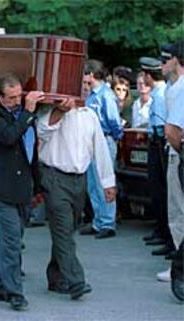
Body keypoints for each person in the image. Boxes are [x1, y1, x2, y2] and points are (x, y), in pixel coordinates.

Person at [37, 94, 116, 299]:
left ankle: (56, 276)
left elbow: (100, 149)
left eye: (87, 85)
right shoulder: (49, 110)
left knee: (66, 231)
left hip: (79, 180)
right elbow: (42, 130)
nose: (83, 89)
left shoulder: (90, 115)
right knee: (63, 229)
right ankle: (76, 281)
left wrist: (108, 182)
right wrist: (60, 111)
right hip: (54, 177)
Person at [0, 73, 43, 311]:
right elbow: (8, 137)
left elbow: (31, 151)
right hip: (0, 186)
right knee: (12, 240)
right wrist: (27, 111)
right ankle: (15, 292)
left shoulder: (22, 112)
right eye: (11, 98)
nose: (16, 101)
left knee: (9, 239)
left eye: (20, 96)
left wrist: (38, 185)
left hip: (22, 186)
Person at [80, 59, 123, 239]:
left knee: (104, 181)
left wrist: (115, 137)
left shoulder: (105, 95)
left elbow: (114, 121)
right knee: (92, 183)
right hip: (90, 141)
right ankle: (98, 220)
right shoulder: (92, 94)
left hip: (103, 140)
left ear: (91, 74)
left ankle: (107, 222)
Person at [139, 57, 175, 258]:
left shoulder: (161, 94)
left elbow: (162, 125)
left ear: (148, 75)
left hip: (160, 143)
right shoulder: (161, 91)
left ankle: (167, 235)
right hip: (156, 141)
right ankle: (161, 231)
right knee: (157, 190)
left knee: (163, 190)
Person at [158, 41, 184, 299]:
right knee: (178, 211)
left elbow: (172, 130)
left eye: (166, 60)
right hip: (177, 154)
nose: (163, 64)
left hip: (178, 155)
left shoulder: (180, 88)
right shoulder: (174, 88)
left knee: (179, 212)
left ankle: (179, 266)